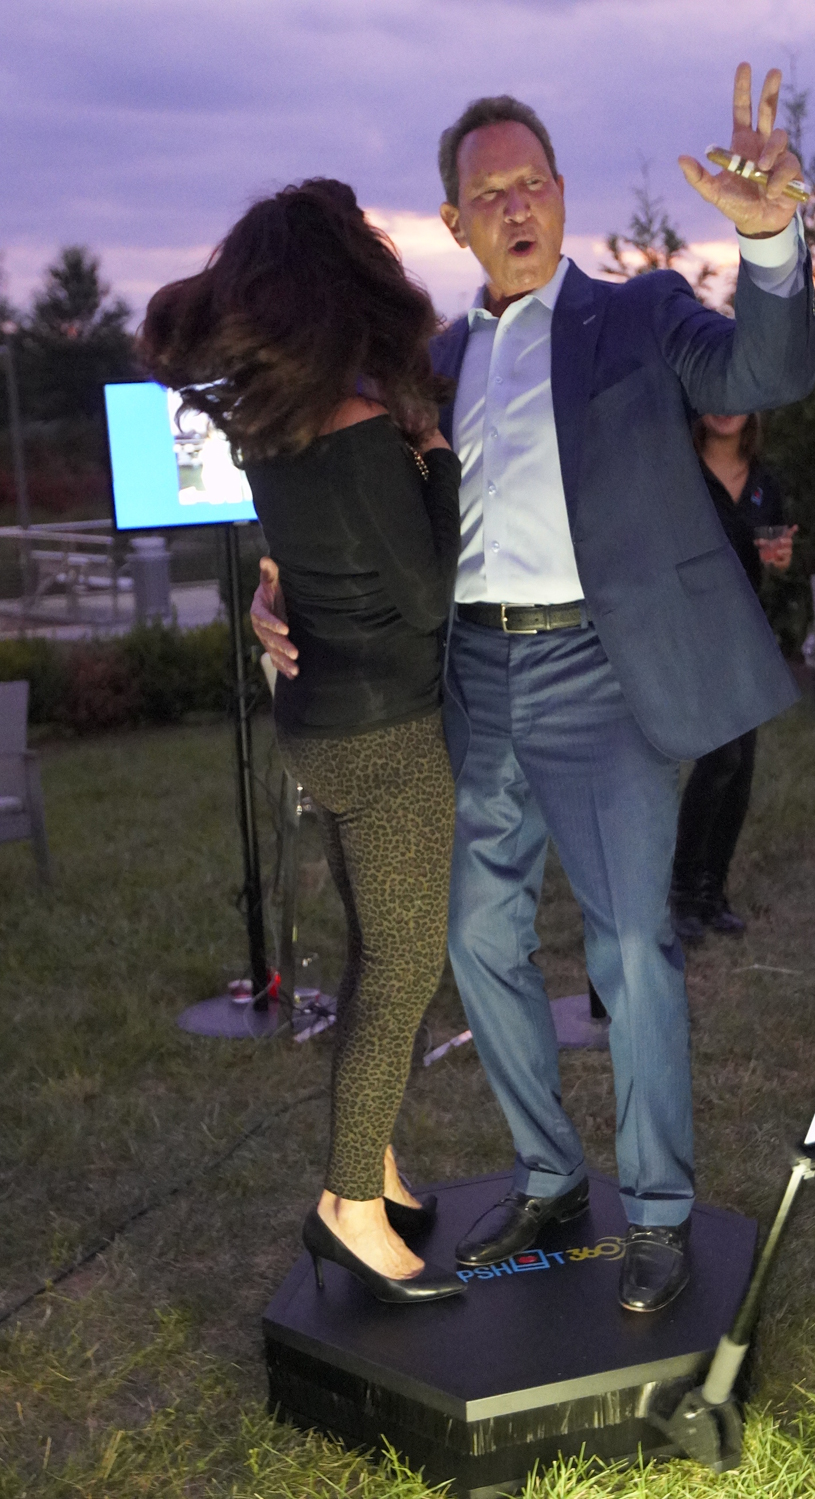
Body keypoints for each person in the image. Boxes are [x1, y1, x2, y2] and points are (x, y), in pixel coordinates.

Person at [253, 65, 815, 1313]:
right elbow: (352, 506)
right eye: (489, 192)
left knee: (628, 943)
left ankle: (658, 1207)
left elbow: (762, 374)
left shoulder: (639, 315)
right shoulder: (426, 364)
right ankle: (551, 1172)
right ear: (452, 223)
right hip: (468, 674)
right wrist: (276, 586)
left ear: (561, 195)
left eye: (533, 182)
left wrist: (770, 243)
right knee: (473, 934)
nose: (516, 204)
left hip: (599, 670)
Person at [141, 179, 465, 1306]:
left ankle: (372, 1163)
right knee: (403, 968)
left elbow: (304, 565)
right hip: (390, 731)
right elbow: (428, 597)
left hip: (317, 723)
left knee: (377, 952)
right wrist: (438, 459)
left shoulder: (268, 430)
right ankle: (349, 1206)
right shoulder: (366, 430)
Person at [671, 411, 797, 942]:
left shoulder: (765, 482)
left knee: (740, 768)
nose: (725, 407)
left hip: (746, 634)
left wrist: (779, 558)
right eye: (714, 394)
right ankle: (682, 893)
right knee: (721, 757)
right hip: (694, 630)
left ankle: (711, 893)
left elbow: (773, 553)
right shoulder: (677, 473)